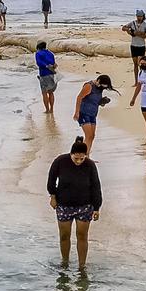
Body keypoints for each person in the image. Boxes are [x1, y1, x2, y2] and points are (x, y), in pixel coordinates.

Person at [47, 138, 102, 270]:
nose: (78, 161)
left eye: (81, 159)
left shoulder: (90, 165)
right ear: (71, 154)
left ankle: (82, 266)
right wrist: (53, 196)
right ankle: (65, 262)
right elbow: (51, 180)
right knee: (64, 235)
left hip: (85, 206)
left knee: (82, 236)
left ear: (85, 156)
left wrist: (96, 207)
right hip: (64, 205)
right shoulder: (60, 161)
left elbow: (96, 186)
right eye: (76, 158)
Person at [72, 73, 115, 153]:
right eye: (102, 86)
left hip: (93, 114)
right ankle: (83, 155)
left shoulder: (100, 89)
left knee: (92, 136)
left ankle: (86, 154)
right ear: (98, 81)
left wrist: (102, 102)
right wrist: (76, 112)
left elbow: (95, 101)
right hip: (83, 113)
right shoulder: (89, 86)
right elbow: (79, 97)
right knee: (88, 135)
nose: (102, 88)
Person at [35, 40, 58, 114]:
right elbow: (54, 63)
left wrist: (45, 66)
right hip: (52, 74)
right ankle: (52, 109)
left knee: (44, 93)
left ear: (38, 47)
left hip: (44, 74)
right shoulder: (50, 53)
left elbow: (39, 63)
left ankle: (47, 110)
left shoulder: (38, 53)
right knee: (51, 92)